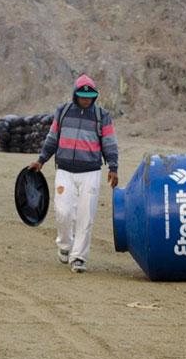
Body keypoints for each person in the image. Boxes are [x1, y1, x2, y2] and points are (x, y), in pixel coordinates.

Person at [29, 74, 119, 273]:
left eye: (89, 96)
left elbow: (110, 143)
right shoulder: (63, 112)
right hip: (65, 171)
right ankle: (64, 245)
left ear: (94, 97)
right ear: (75, 95)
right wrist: (41, 160)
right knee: (63, 212)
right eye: (81, 96)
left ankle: (78, 257)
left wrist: (113, 168)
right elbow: (52, 138)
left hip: (91, 172)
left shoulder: (101, 116)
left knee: (86, 216)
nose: (85, 100)